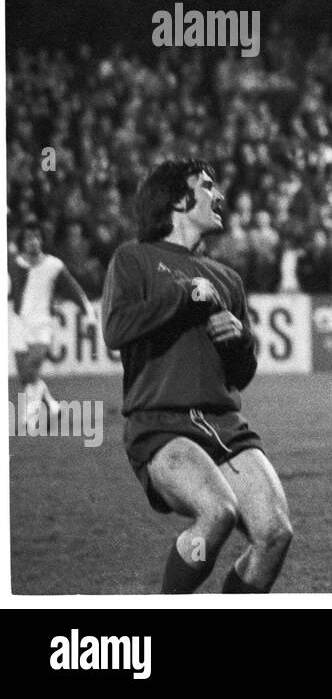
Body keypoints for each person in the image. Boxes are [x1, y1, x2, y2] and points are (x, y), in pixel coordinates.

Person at [101, 159, 292, 593]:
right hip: (161, 423)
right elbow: (116, 330)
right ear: (178, 199)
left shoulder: (228, 279)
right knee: (217, 511)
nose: (218, 195)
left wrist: (239, 341)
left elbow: (240, 376)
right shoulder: (134, 259)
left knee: (275, 533)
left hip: (224, 423)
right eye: (207, 186)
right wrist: (183, 293)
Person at [9, 223, 98, 432]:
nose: (33, 241)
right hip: (19, 323)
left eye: (36, 237)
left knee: (32, 367)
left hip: (42, 325)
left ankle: (29, 416)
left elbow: (76, 292)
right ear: (23, 242)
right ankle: (52, 405)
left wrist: (90, 317)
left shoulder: (53, 266)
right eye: (28, 237)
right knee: (25, 376)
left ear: (41, 240)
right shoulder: (15, 264)